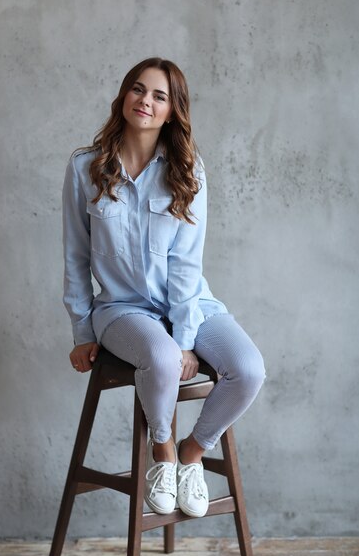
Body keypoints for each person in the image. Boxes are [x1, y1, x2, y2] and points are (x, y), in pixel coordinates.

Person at [62, 57, 265, 519]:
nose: (146, 102)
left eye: (159, 96)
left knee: (249, 369)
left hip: (189, 303)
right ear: (123, 96)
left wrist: (186, 338)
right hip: (122, 310)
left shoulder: (188, 170)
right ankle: (163, 452)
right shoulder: (85, 168)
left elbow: (186, 267)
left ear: (173, 110)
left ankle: (192, 454)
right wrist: (82, 333)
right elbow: (75, 257)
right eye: (138, 89)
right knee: (159, 357)